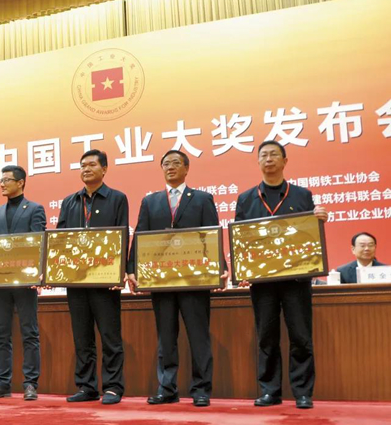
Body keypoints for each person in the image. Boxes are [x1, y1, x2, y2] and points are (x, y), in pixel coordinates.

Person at [127, 150, 227, 407]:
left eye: (175, 163)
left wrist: (221, 268)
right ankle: (167, 388)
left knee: (198, 335)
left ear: (186, 168)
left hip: (195, 280)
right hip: (161, 280)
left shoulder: (202, 199)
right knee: (166, 337)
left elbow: (212, 235)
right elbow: (140, 236)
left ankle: (201, 389)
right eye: (165, 164)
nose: (170, 167)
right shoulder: (150, 201)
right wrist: (131, 269)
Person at [235, 140, 327, 409]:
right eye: (263, 155)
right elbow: (241, 238)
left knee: (301, 336)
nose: (269, 159)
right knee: (266, 336)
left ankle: (302, 392)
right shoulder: (246, 198)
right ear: (258, 162)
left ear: (285, 161)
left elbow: (308, 234)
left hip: (296, 279)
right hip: (262, 281)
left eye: (274, 154)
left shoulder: (301, 195)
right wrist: (242, 267)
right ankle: (270, 391)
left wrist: (318, 219)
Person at [57, 149, 128, 405]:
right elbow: (59, 239)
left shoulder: (117, 198)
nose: (86, 169)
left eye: (92, 165)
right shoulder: (70, 202)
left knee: (110, 336)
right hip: (76, 280)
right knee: (82, 336)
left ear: (104, 169)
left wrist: (120, 272)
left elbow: (122, 235)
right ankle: (86, 386)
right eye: (83, 165)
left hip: (105, 280)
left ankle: (113, 387)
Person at [0, 165, 46, 401]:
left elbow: (39, 242)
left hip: (25, 281)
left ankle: (30, 384)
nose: (2, 184)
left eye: (7, 180)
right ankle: (2, 383)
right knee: (1, 334)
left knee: (29, 332)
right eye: (1, 180)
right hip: (0, 281)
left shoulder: (35, 209)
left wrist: (38, 273)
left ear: (20, 183)